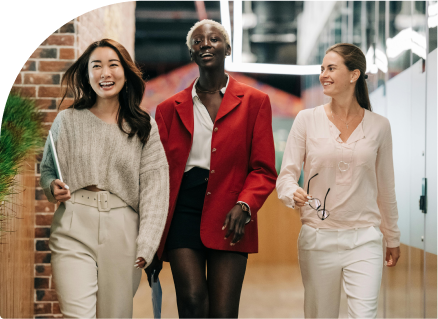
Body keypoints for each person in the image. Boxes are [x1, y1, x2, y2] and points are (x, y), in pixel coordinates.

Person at [145, 19, 277, 319]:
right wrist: (152, 235)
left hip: (232, 212)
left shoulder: (255, 102)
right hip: (182, 211)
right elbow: (156, 175)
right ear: (192, 53)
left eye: (214, 39)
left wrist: (245, 205)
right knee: (191, 301)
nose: (206, 44)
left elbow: (264, 169)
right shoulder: (168, 108)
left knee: (223, 312)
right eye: (198, 41)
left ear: (227, 48)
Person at [39, 39, 169, 319]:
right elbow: (48, 169)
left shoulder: (143, 127)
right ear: (87, 74)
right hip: (73, 222)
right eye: (95, 66)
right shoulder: (67, 120)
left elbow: (155, 190)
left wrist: (148, 242)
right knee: (77, 315)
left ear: (126, 71)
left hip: (124, 230)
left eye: (113, 65)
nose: (104, 73)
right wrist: (53, 187)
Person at [276, 43, 401, 318]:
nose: (323, 75)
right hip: (317, 239)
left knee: (365, 315)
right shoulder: (306, 120)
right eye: (322, 69)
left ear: (354, 75)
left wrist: (392, 236)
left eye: (331, 68)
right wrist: (291, 192)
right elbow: (286, 176)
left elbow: (386, 187)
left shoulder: (380, 126)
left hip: (365, 239)